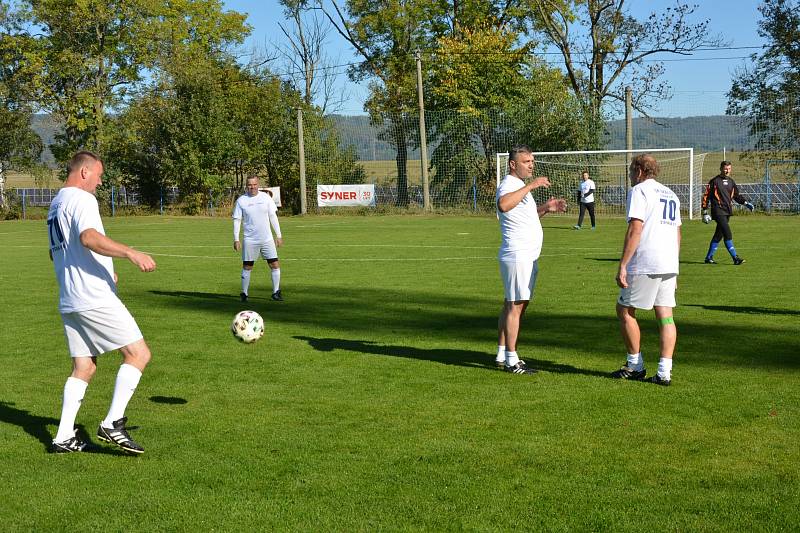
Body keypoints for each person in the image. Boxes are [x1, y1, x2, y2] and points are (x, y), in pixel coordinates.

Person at [48, 151, 156, 454]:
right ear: (84, 172)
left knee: (84, 366)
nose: (99, 181)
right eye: (98, 175)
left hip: (70, 297)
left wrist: (106, 270)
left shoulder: (56, 204)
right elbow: (88, 238)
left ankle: (63, 436)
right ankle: (112, 422)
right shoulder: (82, 200)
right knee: (138, 354)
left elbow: (59, 251)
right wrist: (131, 253)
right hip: (92, 296)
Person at [495, 145, 567, 374]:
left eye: (532, 161)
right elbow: (504, 205)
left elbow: (525, 218)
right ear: (513, 164)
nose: (531, 165)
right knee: (515, 306)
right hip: (518, 255)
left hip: (527, 255)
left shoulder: (519, 187)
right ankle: (511, 360)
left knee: (513, 305)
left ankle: (502, 352)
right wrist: (532, 185)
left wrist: (546, 207)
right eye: (526, 161)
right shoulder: (510, 185)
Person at [612, 154, 681, 386]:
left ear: (640, 171)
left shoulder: (640, 191)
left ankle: (634, 365)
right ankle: (664, 372)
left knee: (624, 310)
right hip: (669, 262)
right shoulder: (670, 194)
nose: (631, 176)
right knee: (665, 317)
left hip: (647, 262)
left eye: (632, 171)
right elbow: (678, 233)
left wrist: (623, 264)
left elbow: (635, 229)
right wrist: (676, 265)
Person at [233, 176, 284, 302]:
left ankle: (276, 292)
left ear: (258, 184)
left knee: (275, 264)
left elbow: (273, 216)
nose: (252, 187)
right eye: (250, 185)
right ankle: (244, 294)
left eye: (255, 184)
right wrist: (236, 239)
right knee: (247, 266)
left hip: (267, 239)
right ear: (246, 186)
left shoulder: (266, 198)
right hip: (250, 240)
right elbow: (237, 220)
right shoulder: (241, 201)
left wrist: (278, 235)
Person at [701, 160, 753, 265]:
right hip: (718, 211)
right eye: (725, 168)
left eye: (729, 169)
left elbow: (736, 196)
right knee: (727, 234)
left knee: (718, 236)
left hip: (727, 211)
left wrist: (746, 203)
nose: (727, 171)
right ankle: (735, 258)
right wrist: (705, 211)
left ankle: (708, 258)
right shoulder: (714, 181)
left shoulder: (731, 182)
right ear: (720, 168)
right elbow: (706, 196)